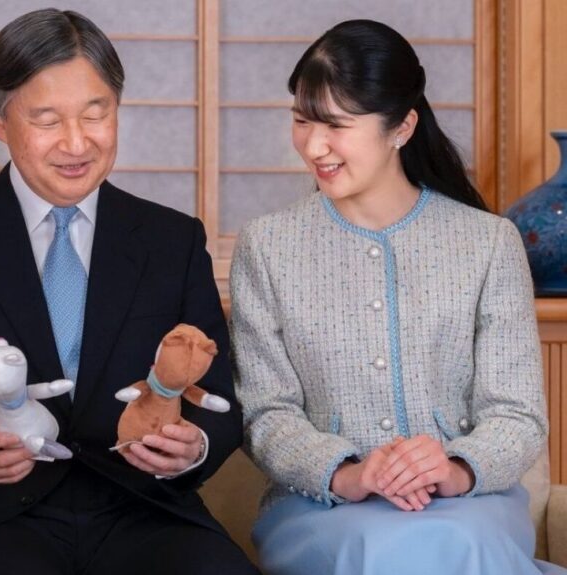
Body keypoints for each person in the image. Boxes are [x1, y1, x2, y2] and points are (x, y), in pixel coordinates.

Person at [0, 8, 258, 575]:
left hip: (147, 510)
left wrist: (192, 446)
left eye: (96, 115)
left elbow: (219, 396)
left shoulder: (172, 239)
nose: (77, 143)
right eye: (47, 119)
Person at [229, 19, 563, 574]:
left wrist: (454, 467)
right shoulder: (267, 247)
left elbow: (518, 414)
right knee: (382, 552)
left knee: (454, 546)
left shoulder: (487, 242)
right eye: (301, 120)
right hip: (321, 511)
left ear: (402, 127)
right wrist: (348, 473)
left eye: (336, 125)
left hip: (468, 507)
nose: (315, 145)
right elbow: (264, 413)